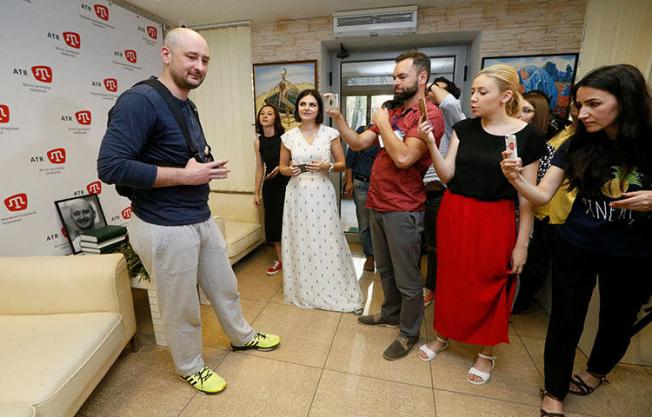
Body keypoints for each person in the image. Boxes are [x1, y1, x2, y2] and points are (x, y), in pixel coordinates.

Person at [97, 27, 280, 395]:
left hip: (199, 217)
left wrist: (201, 167)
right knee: (181, 305)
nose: (199, 66)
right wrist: (186, 174)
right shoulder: (140, 100)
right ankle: (190, 366)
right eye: (191, 57)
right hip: (164, 226)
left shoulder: (185, 103)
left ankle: (241, 337)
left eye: (205, 60)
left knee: (225, 287)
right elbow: (110, 167)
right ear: (166, 55)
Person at [501, 64, 652, 417]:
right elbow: (541, 195)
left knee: (618, 320)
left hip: (636, 252)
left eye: (594, 104)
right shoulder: (578, 141)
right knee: (566, 320)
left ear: (625, 101)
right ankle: (554, 391)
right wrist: (515, 179)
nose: (583, 114)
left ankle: (597, 371)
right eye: (579, 106)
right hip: (578, 243)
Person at [417, 64, 545, 385]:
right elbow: (447, 176)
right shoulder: (464, 129)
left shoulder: (527, 138)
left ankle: (486, 353)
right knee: (450, 278)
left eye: (481, 92)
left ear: (505, 96)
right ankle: (443, 335)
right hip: (455, 211)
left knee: (490, 283)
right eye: (472, 91)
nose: (473, 98)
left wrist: (521, 244)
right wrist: (432, 142)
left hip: (495, 217)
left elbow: (527, 199)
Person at [328, 50, 445, 360]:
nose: (395, 82)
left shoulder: (428, 115)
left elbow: (405, 158)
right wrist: (339, 117)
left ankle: (408, 333)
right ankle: (390, 313)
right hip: (378, 204)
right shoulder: (392, 113)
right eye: (394, 77)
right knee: (385, 271)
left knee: (408, 278)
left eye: (401, 76)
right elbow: (357, 143)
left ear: (421, 78)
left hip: (403, 208)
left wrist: (381, 120)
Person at [278, 89, 364, 313]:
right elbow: (282, 167)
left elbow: (343, 163)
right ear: (297, 108)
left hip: (321, 193)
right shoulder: (288, 136)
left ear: (319, 109)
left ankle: (331, 284)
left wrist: (328, 167)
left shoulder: (329, 134)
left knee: (326, 238)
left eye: (312, 104)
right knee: (301, 238)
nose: (307, 108)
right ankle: (304, 287)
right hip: (296, 193)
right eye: (303, 104)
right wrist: (290, 170)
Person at [512, 91, 576, 313]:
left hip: (549, 211)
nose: (520, 115)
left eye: (528, 110)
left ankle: (519, 305)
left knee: (534, 263)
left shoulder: (555, 139)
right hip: (522, 205)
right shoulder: (516, 136)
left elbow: (545, 181)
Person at [421, 77, 466, 308]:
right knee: (422, 245)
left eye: (438, 91)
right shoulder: (424, 119)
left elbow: (450, 104)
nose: (432, 95)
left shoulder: (455, 123)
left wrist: (427, 85)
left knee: (436, 246)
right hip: (418, 193)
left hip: (440, 194)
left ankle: (432, 288)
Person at [254, 104, 289, 275]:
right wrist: (256, 192)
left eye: (270, 113)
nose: (265, 116)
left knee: (289, 222)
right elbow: (260, 168)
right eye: (262, 113)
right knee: (274, 224)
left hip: (288, 184)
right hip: (270, 187)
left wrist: (282, 167)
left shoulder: (285, 138)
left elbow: (294, 161)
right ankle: (281, 261)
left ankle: (295, 260)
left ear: (276, 118)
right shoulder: (258, 141)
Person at [344, 126, 379, 272]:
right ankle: (370, 256)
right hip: (362, 184)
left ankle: (382, 257)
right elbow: (349, 160)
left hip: (382, 186)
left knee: (379, 223)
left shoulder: (391, 136)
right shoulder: (362, 133)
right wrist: (349, 181)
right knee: (364, 223)